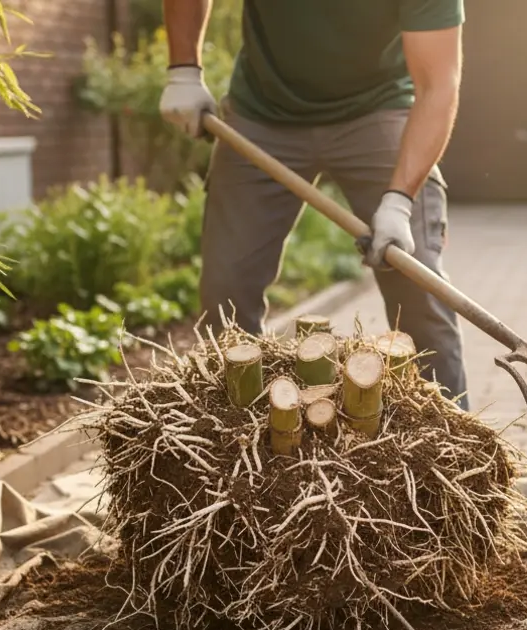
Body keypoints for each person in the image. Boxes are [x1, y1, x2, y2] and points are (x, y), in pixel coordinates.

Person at [158, 0, 470, 410]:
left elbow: (437, 84)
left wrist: (399, 200)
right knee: (226, 294)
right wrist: (183, 68)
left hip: (377, 108)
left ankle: (451, 455)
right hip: (263, 112)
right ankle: (231, 448)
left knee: (420, 285)